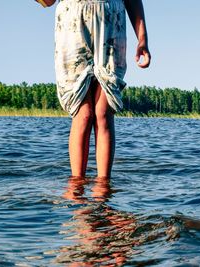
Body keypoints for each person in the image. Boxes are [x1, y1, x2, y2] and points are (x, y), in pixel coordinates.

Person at [54, 0, 151, 178]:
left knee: (103, 113)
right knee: (83, 114)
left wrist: (142, 38)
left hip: (111, 21)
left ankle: (103, 192)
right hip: (74, 22)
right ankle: (76, 191)